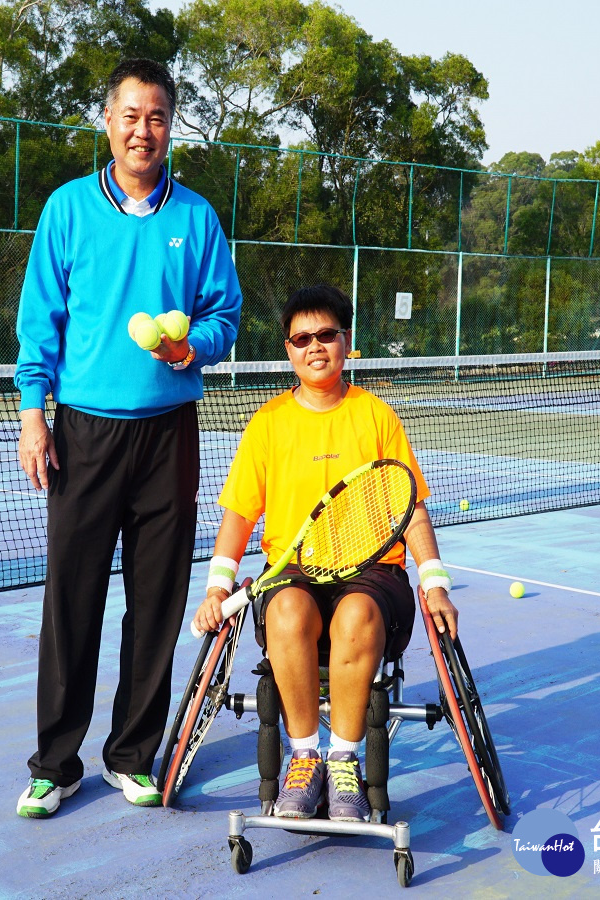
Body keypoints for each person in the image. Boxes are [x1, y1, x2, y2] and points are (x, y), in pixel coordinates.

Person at [14, 58, 242, 818]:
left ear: (171, 128)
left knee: (158, 601)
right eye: (131, 115)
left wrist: (192, 349)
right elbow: (40, 320)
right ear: (106, 123)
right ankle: (56, 763)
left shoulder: (197, 218)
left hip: (169, 434)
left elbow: (224, 316)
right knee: (71, 600)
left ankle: (132, 755)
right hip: (83, 433)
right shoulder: (68, 210)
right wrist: (32, 414)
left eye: (158, 118)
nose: (144, 130)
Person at [192, 284, 457, 823]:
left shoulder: (376, 415)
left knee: (357, 615)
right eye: (301, 338)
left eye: (327, 335)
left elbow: (413, 509)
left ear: (346, 341)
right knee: (288, 611)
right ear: (288, 349)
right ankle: (306, 757)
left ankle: (344, 765)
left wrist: (435, 583)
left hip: (372, 572)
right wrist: (218, 587)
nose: (315, 346)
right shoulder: (268, 423)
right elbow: (239, 516)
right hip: (292, 573)